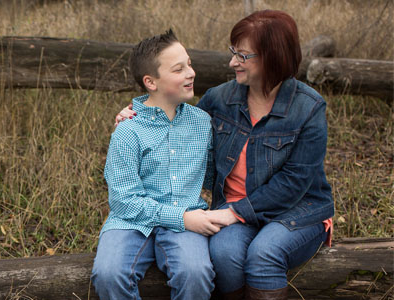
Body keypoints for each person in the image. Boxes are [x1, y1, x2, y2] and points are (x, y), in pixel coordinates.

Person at [115, 10, 334, 300]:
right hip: (232, 207)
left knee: (264, 254)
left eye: (243, 56)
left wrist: (233, 213)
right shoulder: (220, 99)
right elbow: (173, 120)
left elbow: (296, 181)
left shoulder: (308, 108)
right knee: (224, 254)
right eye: (234, 52)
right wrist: (135, 115)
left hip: (296, 210)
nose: (232, 62)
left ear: (272, 58)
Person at [91, 29, 224, 300]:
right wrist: (180, 218)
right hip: (130, 221)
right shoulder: (129, 130)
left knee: (196, 273)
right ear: (151, 82)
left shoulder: (201, 122)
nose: (191, 73)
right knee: (108, 274)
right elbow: (123, 202)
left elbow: (213, 176)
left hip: (186, 216)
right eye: (179, 69)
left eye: (190, 63)